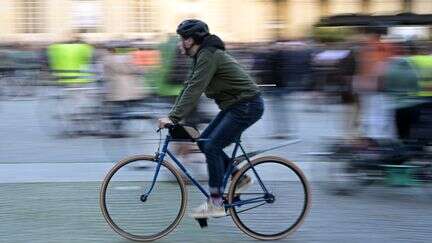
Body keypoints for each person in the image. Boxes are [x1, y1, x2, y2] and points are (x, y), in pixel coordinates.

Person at [158, 19, 264, 218]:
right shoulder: (201, 57)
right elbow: (188, 87)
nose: (181, 44)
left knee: (212, 146)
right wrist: (173, 116)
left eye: (183, 39)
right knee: (205, 143)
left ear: (192, 40)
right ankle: (238, 177)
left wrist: (173, 117)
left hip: (247, 105)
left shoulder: (208, 55)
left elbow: (195, 89)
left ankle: (216, 202)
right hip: (236, 106)